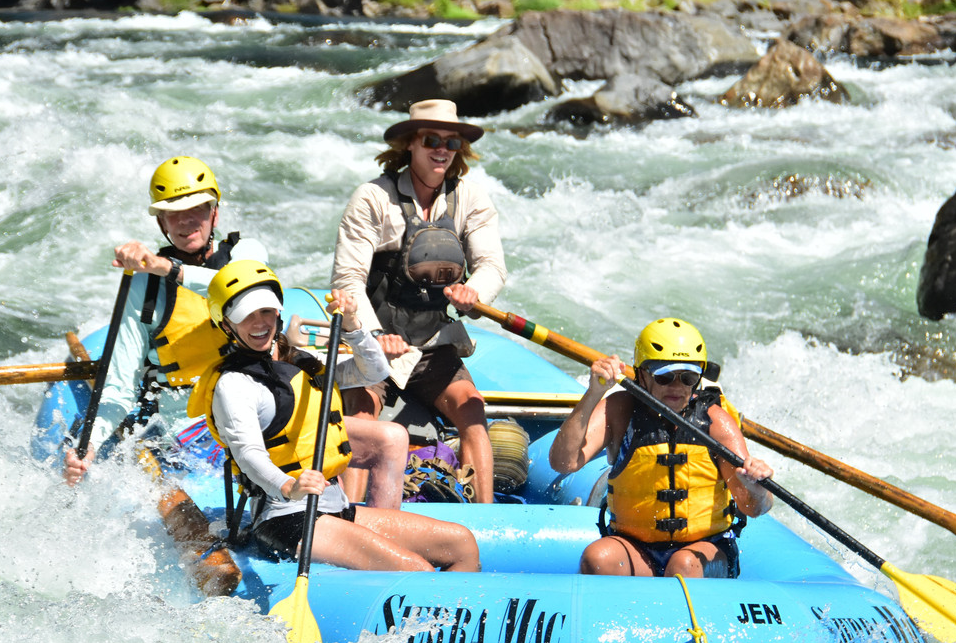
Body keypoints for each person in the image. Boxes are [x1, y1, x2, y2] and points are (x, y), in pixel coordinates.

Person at [189, 259, 480, 572]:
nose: (259, 322)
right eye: (245, 315)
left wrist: (355, 328)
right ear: (226, 324)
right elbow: (248, 454)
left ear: (278, 311)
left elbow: (375, 371)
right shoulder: (233, 385)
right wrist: (289, 486)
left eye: (265, 310)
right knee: (415, 568)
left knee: (462, 544)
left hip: (335, 507)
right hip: (286, 518)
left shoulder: (298, 362)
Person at [331, 98, 507, 504]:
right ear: (410, 144)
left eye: (451, 142)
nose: (442, 149)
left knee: (473, 412)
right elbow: (348, 280)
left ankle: (483, 519)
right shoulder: (373, 198)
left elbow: (492, 267)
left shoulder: (471, 199)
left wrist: (473, 292)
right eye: (431, 139)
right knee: (361, 412)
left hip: (433, 343)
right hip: (374, 346)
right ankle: (351, 516)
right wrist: (374, 337)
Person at [63, 155, 269, 485]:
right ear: (162, 223)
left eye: (197, 209)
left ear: (214, 213)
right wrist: (87, 448)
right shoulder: (144, 284)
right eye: (174, 214)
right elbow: (120, 385)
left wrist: (166, 268)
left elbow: (240, 287)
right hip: (186, 422)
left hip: (257, 402)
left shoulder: (248, 253)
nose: (187, 221)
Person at [549, 318, 774, 579]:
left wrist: (756, 488)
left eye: (688, 377)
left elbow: (755, 507)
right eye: (665, 376)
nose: (677, 387)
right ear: (642, 374)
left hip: (704, 550)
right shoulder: (620, 411)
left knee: (682, 565)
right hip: (634, 549)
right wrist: (593, 393)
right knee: (597, 558)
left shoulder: (716, 423)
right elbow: (563, 463)